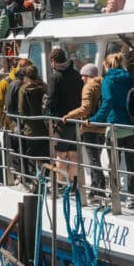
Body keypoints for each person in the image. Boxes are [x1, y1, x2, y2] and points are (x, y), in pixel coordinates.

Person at [93, 52, 134, 205]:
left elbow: (108, 102)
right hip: (132, 126)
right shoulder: (130, 78)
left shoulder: (108, 80)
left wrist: (94, 120)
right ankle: (131, 197)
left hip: (115, 126)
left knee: (114, 163)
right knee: (131, 163)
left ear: (107, 66)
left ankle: (115, 194)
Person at [64, 63, 106, 200]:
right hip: (101, 128)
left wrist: (68, 116)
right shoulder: (102, 85)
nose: (81, 78)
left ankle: (100, 191)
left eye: (83, 75)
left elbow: (85, 109)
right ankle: (94, 190)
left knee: (93, 161)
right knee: (96, 159)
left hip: (89, 128)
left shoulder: (88, 87)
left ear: (88, 75)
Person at [45, 48, 84, 186]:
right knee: (73, 154)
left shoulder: (54, 77)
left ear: (53, 61)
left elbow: (52, 99)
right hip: (76, 120)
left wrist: (46, 109)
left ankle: (60, 185)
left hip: (62, 121)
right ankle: (73, 185)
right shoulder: (76, 74)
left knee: (60, 155)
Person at [16, 65, 49, 187]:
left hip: (30, 129)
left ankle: (33, 181)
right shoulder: (44, 87)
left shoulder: (23, 90)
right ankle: (45, 179)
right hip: (45, 128)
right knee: (45, 155)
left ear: (26, 76)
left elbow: (21, 111)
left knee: (31, 156)